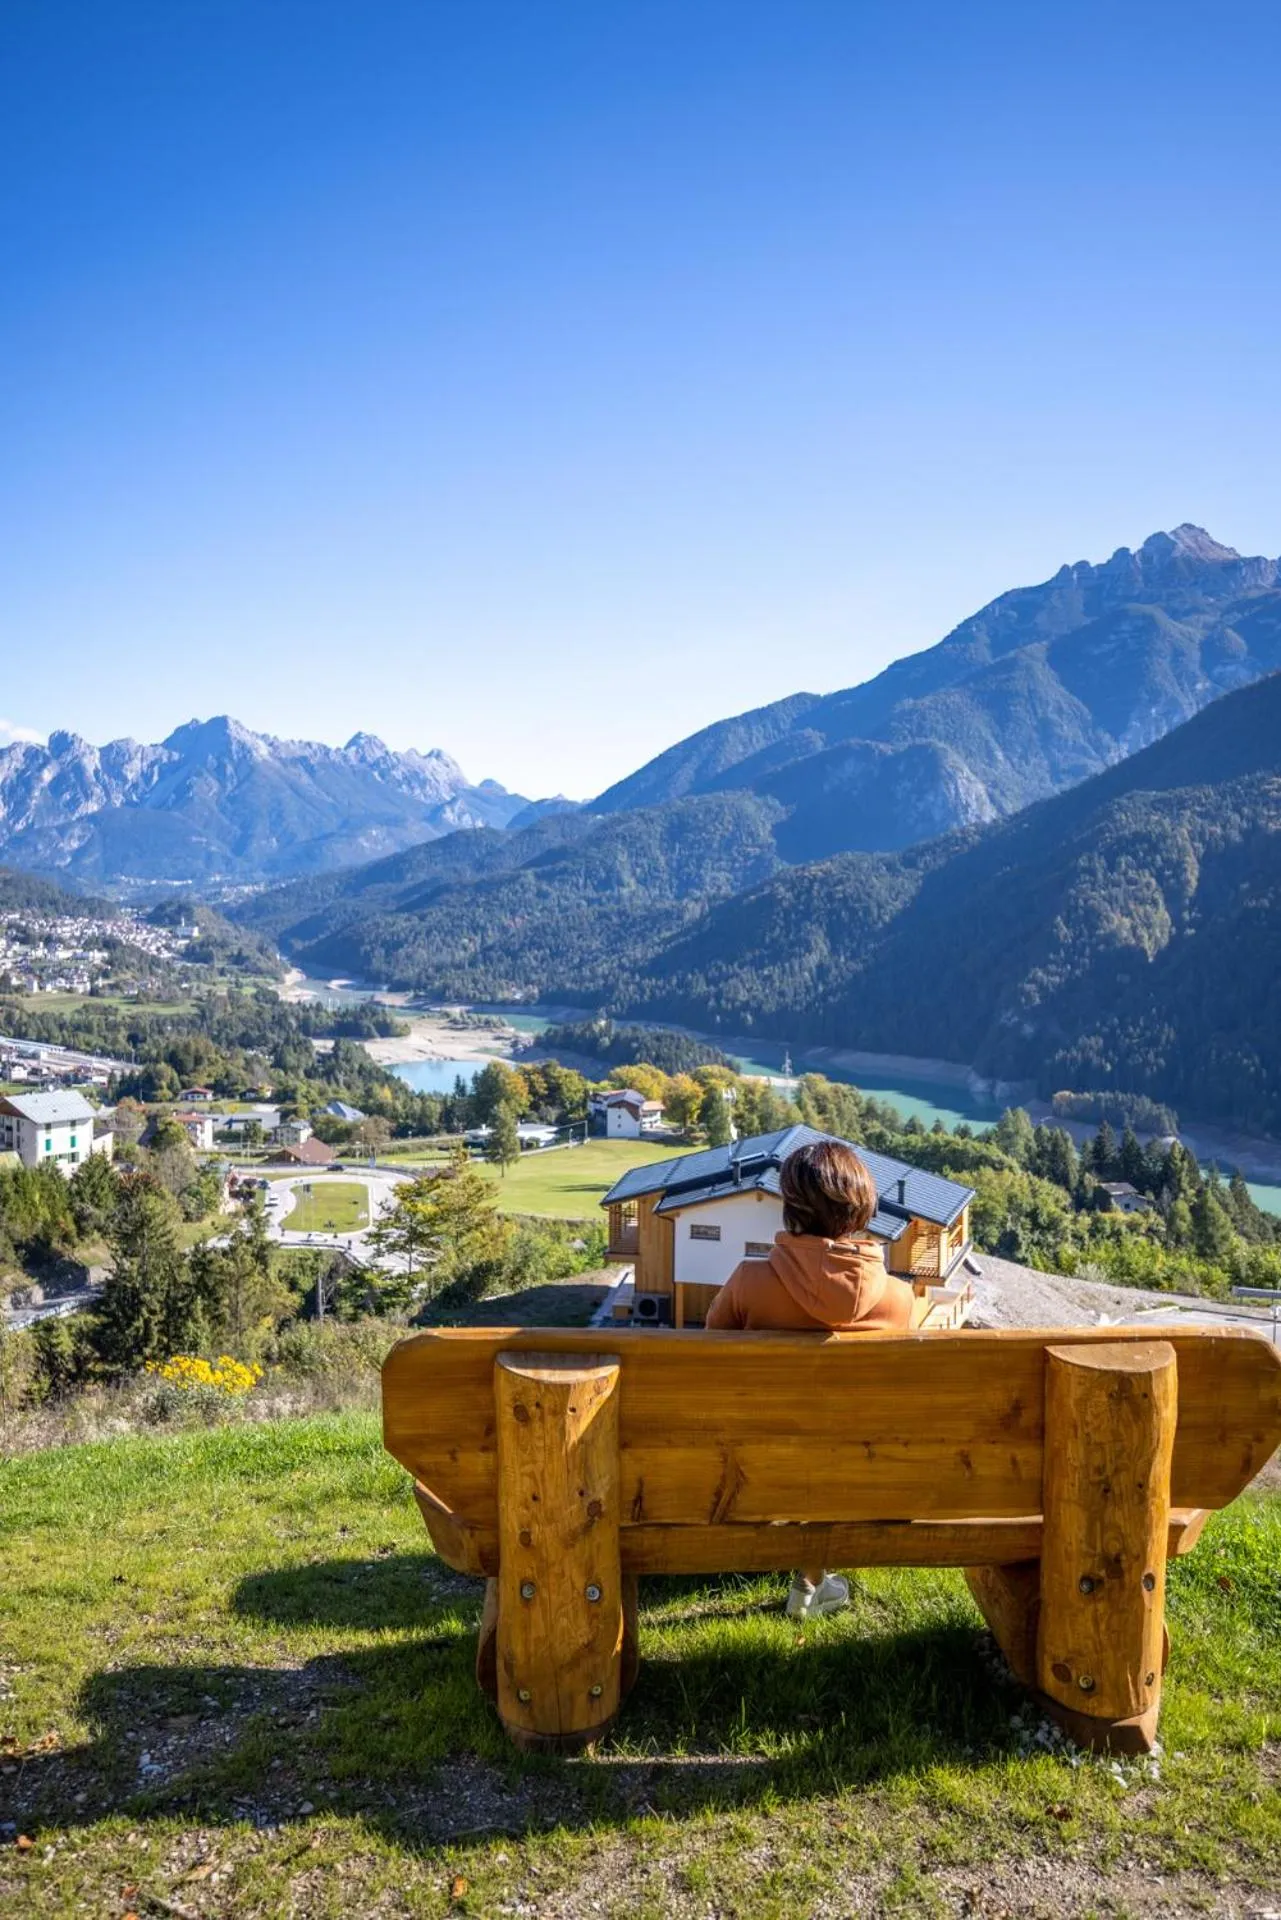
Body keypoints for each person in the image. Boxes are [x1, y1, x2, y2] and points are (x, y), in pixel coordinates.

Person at [705, 1137, 925, 1621]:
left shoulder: (748, 1283)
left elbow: (708, 1363)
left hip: (757, 1464)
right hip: (860, 1469)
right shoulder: (899, 1299)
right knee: (836, 1444)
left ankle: (803, 1571)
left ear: (792, 1208)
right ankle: (810, 1581)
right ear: (861, 1209)